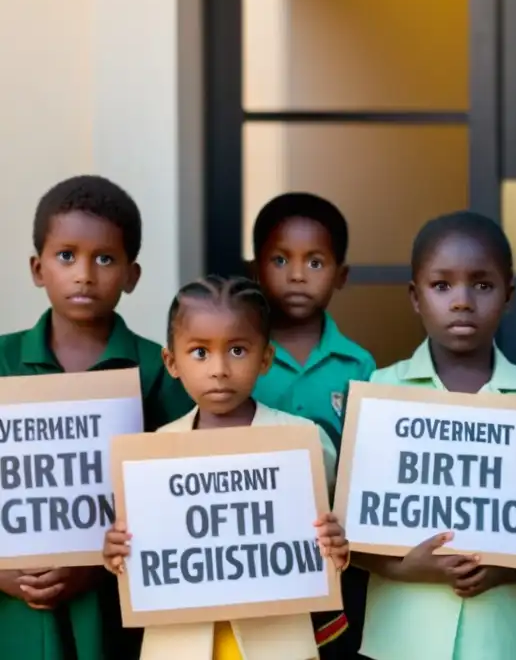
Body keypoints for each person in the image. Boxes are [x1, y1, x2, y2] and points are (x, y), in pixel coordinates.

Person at [102, 275, 350, 660]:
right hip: (178, 645)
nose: (218, 369)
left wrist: (336, 540)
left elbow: (333, 530)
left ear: (265, 358)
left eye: (237, 350)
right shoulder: (153, 455)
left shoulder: (304, 441)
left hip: (279, 643)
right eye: (200, 352)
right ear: (171, 362)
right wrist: (119, 551)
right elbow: (141, 554)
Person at [0, 175, 194, 660]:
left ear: (132, 274)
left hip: (114, 601)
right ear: (37, 268)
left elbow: (180, 488)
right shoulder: (2, 361)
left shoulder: (160, 369)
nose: (84, 273)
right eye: (66, 256)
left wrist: (98, 562)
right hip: (11, 603)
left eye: (104, 259)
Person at [353, 211, 516, 660]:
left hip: (501, 641)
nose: (462, 301)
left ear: (509, 296)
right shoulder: (382, 392)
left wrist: (503, 570)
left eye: (482, 285)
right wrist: (404, 568)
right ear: (415, 297)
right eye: (442, 286)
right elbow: (354, 532)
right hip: (402, 639)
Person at [251, 192, 375, 656]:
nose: (298, 273)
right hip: (256, 551)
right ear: (255, 268)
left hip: (330, 554)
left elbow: (367, 464)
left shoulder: (358, 364)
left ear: (341, 276)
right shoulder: (240, 359)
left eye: (316, 262)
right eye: (280, 259)